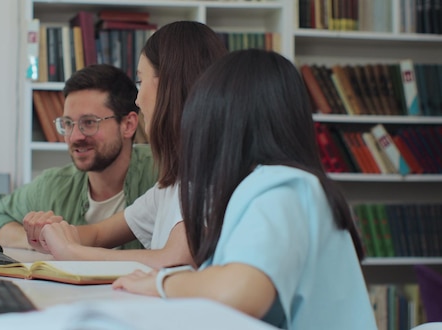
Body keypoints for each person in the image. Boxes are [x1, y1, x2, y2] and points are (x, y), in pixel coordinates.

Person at [112, 49, 377, 329]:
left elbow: (238, 293)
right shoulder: (278, 187)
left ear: (219, 123)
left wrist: (162, 282)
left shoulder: (281, 188)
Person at [26, 21, 228, 269]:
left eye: (141, 81)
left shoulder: (209, 175)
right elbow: (99, 235)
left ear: (168, 85)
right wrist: (51, 236)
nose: (138, 99)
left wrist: (71, 252)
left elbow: (172, 259)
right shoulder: (173, 185)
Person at [0, 64, 158, 250]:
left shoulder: (164, 174)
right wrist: (34, 241)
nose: (74, 136)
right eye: (67, 123)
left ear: (128, 125)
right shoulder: (54, 185)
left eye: (89, 122)